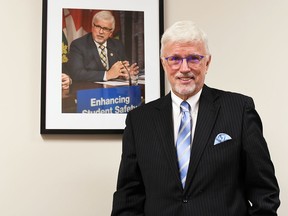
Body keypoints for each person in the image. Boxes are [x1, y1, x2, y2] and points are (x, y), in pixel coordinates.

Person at [111, 21, 280, 215]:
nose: (184, 68)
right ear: (163, 63)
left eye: (193, 58)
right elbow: (128, 197)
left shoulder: (239, 109)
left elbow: (264, 192)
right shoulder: (139, 120)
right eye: (175, 59)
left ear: (207, 62)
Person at [66, 10, 139, 82]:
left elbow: (122, 69)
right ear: (92, 27)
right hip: (89, 91)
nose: (101, 32)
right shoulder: (78, 45)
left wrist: (126, 73)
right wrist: (107, 75)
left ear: (111, 32)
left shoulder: (117, 45)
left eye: (105, 29)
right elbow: (76, 74)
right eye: (98, 26)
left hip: (113, 90)